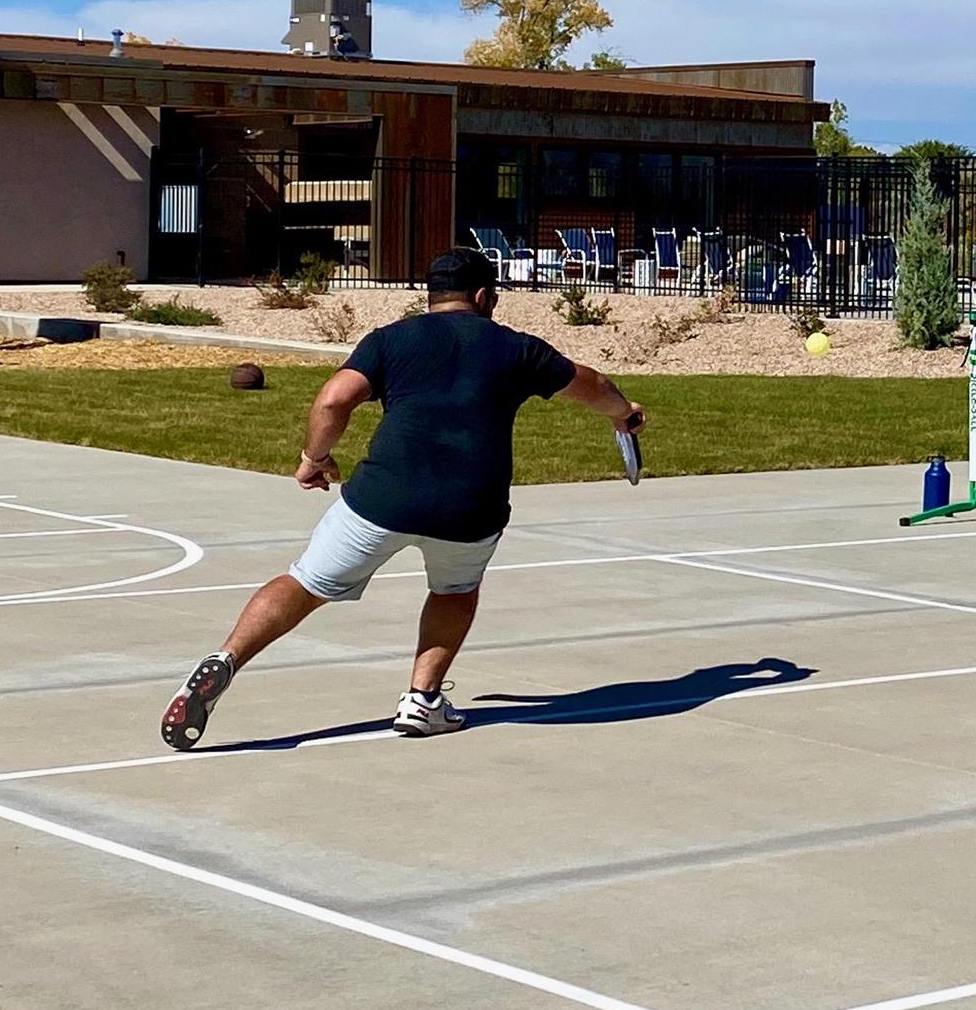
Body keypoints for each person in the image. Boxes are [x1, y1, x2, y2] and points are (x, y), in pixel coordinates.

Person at [160, 246, 644, 748]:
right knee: (454, 591)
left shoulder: (390, 340)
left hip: (382, 498)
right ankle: (422, 699)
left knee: (306, 583)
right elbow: (592, 384)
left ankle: (226, 659)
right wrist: (622, 413)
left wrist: (314, 457)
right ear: (483, 296)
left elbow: (333, 398)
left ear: (431, 296)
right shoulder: (518, 347)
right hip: (470, 509)